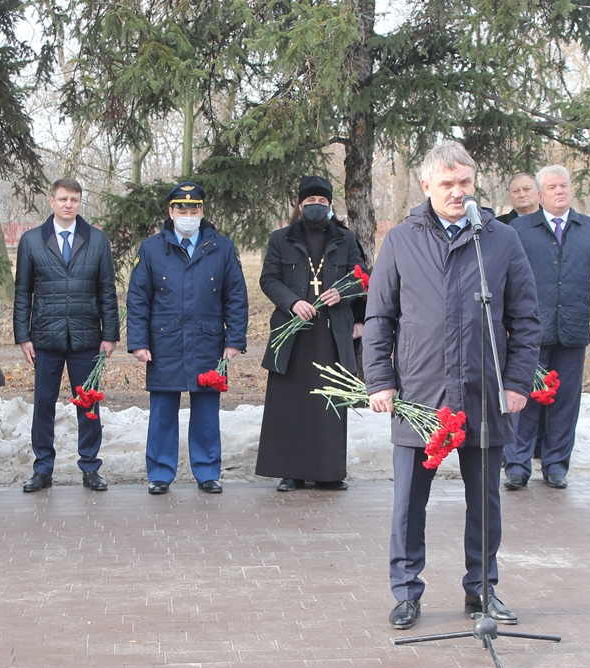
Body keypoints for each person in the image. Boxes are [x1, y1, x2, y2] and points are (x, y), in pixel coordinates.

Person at [364, 141, 541, 631]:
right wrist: (380, 379)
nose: (458, 192)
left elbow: (526, 318)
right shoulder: (401, 240)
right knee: (408, 502)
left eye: (465, 182)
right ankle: (406, 591)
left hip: (484, 391)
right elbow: (380, 317)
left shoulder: (501, 240)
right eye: (447, 184)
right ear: (426, 186)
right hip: (419, 395)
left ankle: (482, 589)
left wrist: (518, 381)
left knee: (485, 500)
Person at [127, 182, 248, 495]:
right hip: (164, 342)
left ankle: (208, 472)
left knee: (207, 413)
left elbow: (236, 296)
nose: (188, 214)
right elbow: (138, 298)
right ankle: (160, 473)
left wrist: (234, 340)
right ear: (171, 211)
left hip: (208, 341)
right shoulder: (151, 248)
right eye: (182, 208)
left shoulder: (222, 246)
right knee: (163, 412)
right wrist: (138, 342)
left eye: (194, 209)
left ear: (202, 211)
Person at [503, 165, 590, 490]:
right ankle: (517, 466)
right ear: (540, 195)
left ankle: (555, 466)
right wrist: (506, 325)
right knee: (523, 399)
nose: (559, 191)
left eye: (564, 185)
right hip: (528, 335)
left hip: (573, 331)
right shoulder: (520, 230)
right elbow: (504, 279)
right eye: (552, 187)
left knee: (565, 401)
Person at [255, 176, 366, 492]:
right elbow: (269, 279)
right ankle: (291, 472)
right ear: (300, 206)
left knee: (329, 403)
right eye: (310, 203)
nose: (316, 207)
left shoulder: (346, 239)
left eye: (322, 202)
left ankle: (329, 472)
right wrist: (293, 302)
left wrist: (342, 293)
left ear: (330, 206)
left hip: (331, 335)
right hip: (294, 335)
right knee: (292, 405)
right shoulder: (281, 238)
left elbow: (361, 279)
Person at [14, 177, 120, 493]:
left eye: (74, 199)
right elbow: (23, 292)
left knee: (87, 404)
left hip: (86, 337)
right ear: (51, 201)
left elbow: (107, 291)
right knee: (43, 404)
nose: (68, 205)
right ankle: (43, 468)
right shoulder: (32, 241)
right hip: (45, 337)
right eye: (63, 199)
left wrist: (110, 334)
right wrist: (23, 335)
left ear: (79, 202)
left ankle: (90, 467)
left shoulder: (97, 240)